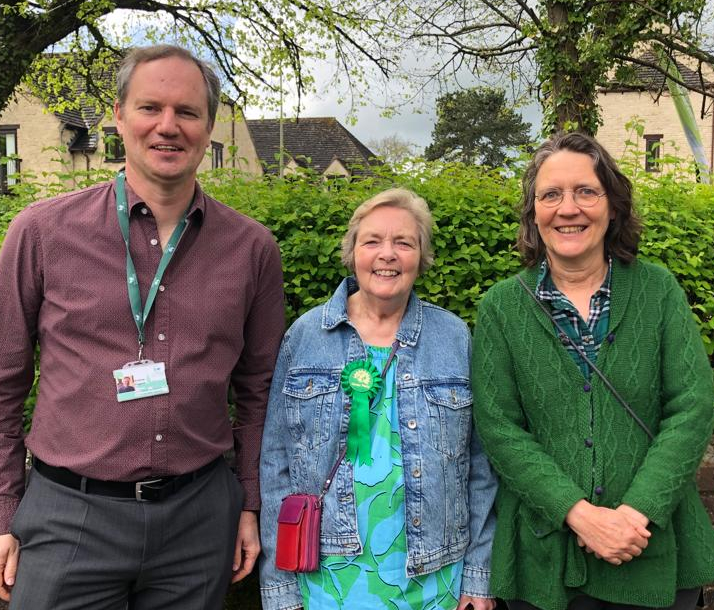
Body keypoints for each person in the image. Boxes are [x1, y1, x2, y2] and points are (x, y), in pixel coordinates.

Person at [0, 44, 285, 609]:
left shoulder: (252, 249)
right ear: (119, 115)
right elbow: (4, 381)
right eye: (150, 107)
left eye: (187, 112)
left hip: (199, 521)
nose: (168, 126)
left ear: (209, 125)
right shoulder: (40, 234)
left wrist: (248, 503)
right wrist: (3, 509)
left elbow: (259, 392)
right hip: (68, 517)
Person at [471, 132, 714, 610]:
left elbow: (692, 406)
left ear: (613, 206)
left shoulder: (657, 290)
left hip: (652, 549)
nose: (569, 208)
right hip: (544, 560)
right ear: (533, 212)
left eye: (586, 191)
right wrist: (580, 515)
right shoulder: (501, 308)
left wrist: (635, 513)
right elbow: (500, 428)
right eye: (551, 195)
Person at [259, 188, 498, 610]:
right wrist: (279, 588)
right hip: (327, 577)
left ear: (421, 258)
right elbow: (277, 464)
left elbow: (480, 467)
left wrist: (478, 579)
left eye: (403, 242)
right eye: (372, 241)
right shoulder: (306, 336)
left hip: (435, 576)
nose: (387, 254)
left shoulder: (455, 337)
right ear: (351, 253)